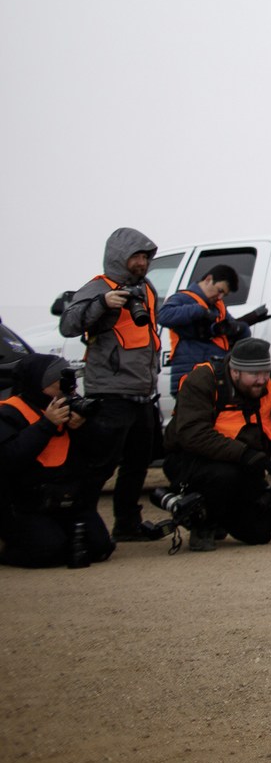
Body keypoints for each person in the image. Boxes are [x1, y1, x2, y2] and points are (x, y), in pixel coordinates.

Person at [58, 226, 168, 542]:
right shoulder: (97, 287)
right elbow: (68, 324)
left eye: (146, 257)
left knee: (137, 464)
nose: (142, 263)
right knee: (100, 465)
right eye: (137, 256)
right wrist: (104, 303)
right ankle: (81, 525)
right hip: (109, 393)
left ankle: (127, 524)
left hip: (143, 393)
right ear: (121, 257)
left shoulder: (147, 290)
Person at [163, 338, 271, 549]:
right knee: (225, 475)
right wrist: (245, 454)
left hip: (242, 462)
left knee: (260, 534)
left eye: (265, 372)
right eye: (254, 375)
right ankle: (202, 523)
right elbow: (193, 435)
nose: (261, 380)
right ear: (234, 372)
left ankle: (221, 515)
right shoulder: (203, 379)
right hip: (191, 461)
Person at [0, 354, 114, 567]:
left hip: (69, 500)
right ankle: (8, 548)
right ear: (39, 384)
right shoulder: (9, 412)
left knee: (99, 548)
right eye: (57, 385)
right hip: (26, 504)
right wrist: (46, 425)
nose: (65, 391)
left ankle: (59, 536)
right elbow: (10, 459)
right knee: (49, 551)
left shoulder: (72, 407)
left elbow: (102, 453)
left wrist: (84, 427)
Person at [159, 264, 252, 396]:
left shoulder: (218, 307)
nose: (220, 297)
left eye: (224, 294)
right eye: (219, 290)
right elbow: (163, 316)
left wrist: (239, 328)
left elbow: (232, 329)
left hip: (215, 378)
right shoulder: (183, 298)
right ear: (208, 279)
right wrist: (198, 311)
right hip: (190, 378)